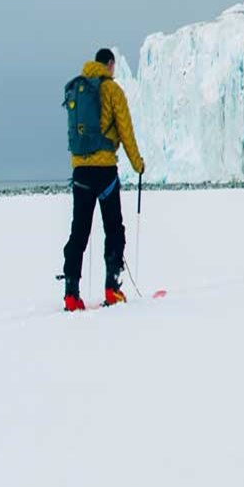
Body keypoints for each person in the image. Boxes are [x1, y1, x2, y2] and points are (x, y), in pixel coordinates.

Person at [61, 48, 145, 311]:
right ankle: (112, 288)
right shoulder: (111, 90)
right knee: (114, 228)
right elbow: (125, 131)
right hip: (105, 171)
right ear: (110, 64)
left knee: (79, 231)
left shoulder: (79, 89)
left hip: (80, 172)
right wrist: (138, 164)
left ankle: (71, 293)